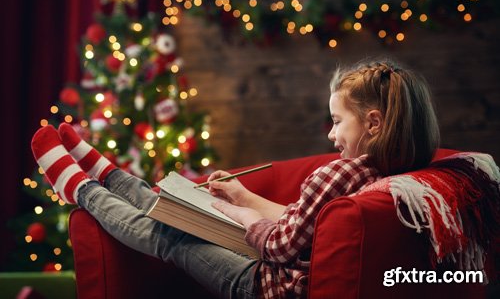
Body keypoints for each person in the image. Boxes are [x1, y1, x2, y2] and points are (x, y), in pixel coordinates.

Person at [31, 59, 441, 298]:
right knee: (175, 211)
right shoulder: (391, 170)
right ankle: (109, 175)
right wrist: (243, 198)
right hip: (287, 272)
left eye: (337, 122)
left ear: (373, 122)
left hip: (268, 284)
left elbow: (281, 247)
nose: (331, 135)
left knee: (173, 236)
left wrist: (241, 217)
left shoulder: (339, 172)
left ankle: (81, 188)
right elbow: (313, 225)